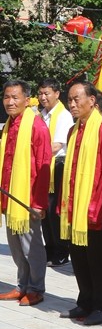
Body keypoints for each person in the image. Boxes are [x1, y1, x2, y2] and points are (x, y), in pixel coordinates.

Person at [58, 82, 102, 325]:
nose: (72, 104)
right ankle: (85, 302)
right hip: (75, 206)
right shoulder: (74, 131)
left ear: (92, 101)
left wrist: (97, 208)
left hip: (95, 209)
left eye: (77, 99)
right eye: (69, 100)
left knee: (97, 261)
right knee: (79, 258)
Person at [0, 80, 52, 306]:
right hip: (9, 196)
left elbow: (44, 165)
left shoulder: (36, 126)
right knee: (15, 246)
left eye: (15, 97)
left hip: (27, 198)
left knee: (32, 247)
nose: (10, 102)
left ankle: (36, 288)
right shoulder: (9, 125)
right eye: (6, 97)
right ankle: (22, 285)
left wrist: (39, 203)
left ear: (27, 100)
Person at [37, 79, 73, 267]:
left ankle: (61, 251)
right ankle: (49, 248)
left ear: (57, 94)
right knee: (43, 211)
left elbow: (56, 145)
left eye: (47, 93)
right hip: (43, 167)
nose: (43, 97)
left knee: (54, 211)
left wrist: (33, 152)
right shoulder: (41, 115)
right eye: (40, 93)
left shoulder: (63, 115)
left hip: (56, 167)